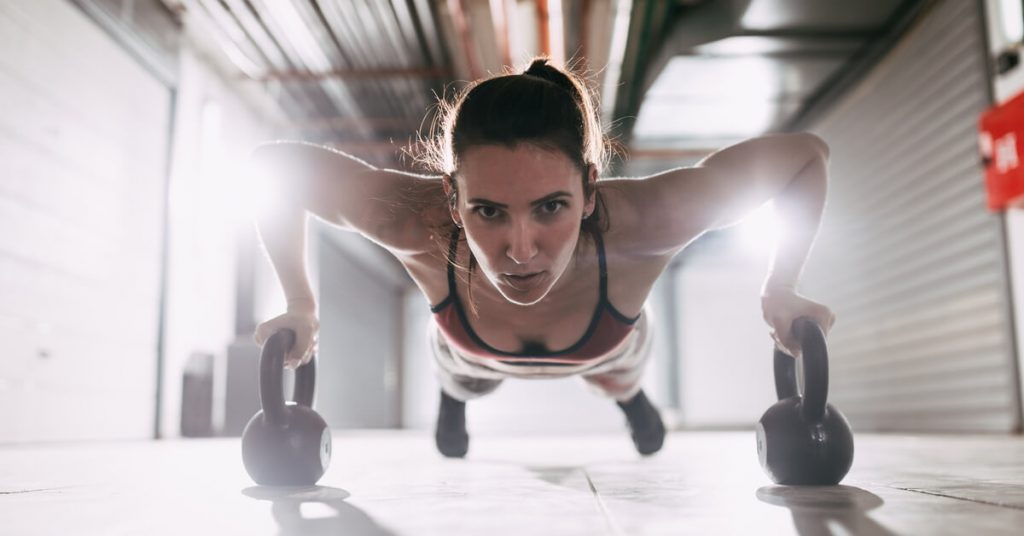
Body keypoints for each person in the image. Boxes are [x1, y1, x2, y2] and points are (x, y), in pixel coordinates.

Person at [251, 57, 836, 458]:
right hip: (468, 354)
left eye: (551, 206)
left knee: (618, 377)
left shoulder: (651, 220)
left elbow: (806, 156)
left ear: (588, 187)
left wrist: (781, 285)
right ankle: (453, 403)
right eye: (488, 212)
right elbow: (271, 168)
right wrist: (300, 304)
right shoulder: (413, 222)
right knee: (462, 378)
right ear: (452, 201)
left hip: (612, 350)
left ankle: (631, 401)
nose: (521, 250)